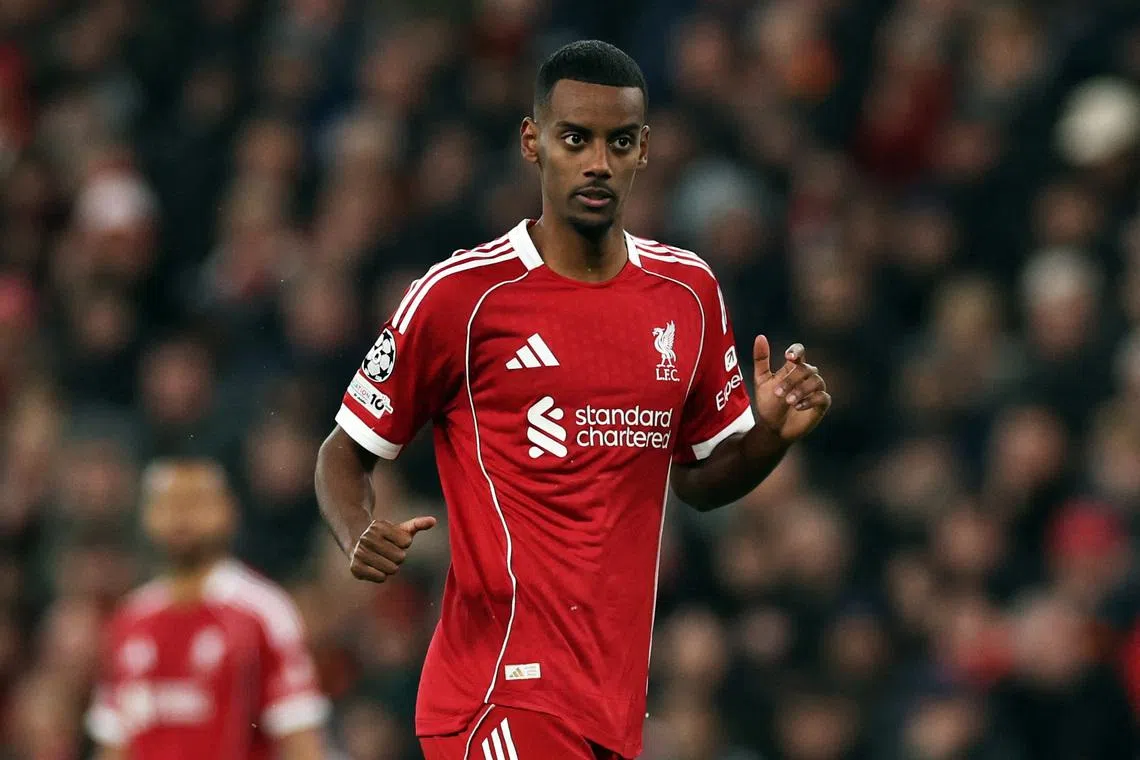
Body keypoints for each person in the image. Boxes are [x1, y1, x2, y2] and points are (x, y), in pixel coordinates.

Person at [314, 40, 831, 760]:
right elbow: (344, 451)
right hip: (498, 693)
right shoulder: (461, 297)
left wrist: (770, 435)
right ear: (533, 142)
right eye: (575, 139)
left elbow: (702, 483)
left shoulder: (688, 294)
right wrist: (357, 530)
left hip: (610, 705)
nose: (598, 162)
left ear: (644, 150)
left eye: (619, 142)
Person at [86, 459, 329, 760]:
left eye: (195, 502)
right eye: (169, 504)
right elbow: (114, 745)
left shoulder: (262, 613)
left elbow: (300, 737)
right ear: (147, 516)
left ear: (228, 511)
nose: (181, 517)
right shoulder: (129, 620)